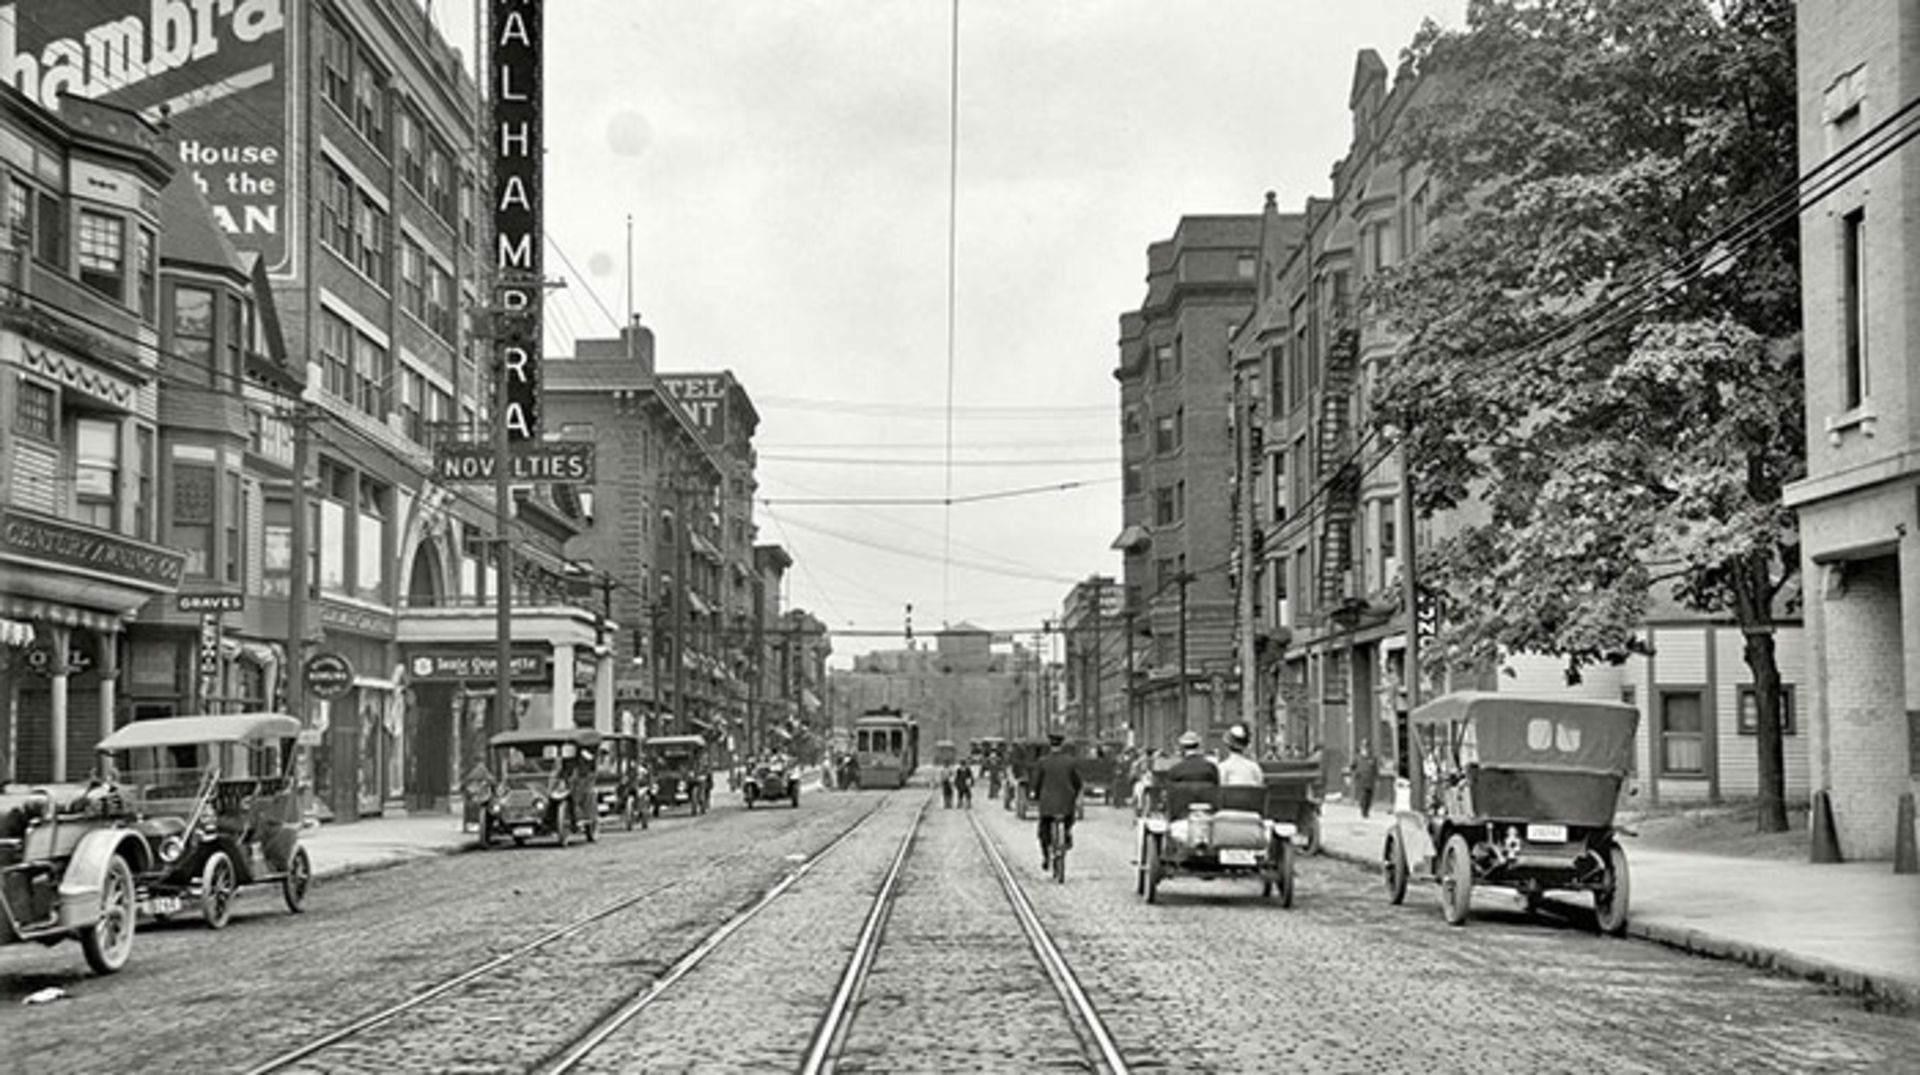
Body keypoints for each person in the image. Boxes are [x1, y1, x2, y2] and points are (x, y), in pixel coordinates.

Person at [1029, 732, 1083, 870]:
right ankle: (1067, 836)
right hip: (1066, 803)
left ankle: (1046, 856)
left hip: (1047, 804)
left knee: (1043, 831)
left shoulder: (1043, 762)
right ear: (1062, 745)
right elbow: (1077, 782)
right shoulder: (1070, 762)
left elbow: (1036, 782)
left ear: (1050, 745)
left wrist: (1035, 795)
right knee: (1068, 821)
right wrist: (1074, 795)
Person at [1350, 740, 1378, 818]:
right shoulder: (1357, 757)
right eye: (1364, 747)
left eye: (1367, 747)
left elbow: (1375, 769)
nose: (1365, 749)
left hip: (1370, 779)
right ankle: (1363, 809)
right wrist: (1354, 774)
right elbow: (1352, 766)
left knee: (1369, 796)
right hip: (1361, 779)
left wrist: (1376, 777)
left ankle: (1366, 810)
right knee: (1364, 794)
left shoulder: (1372, 758)